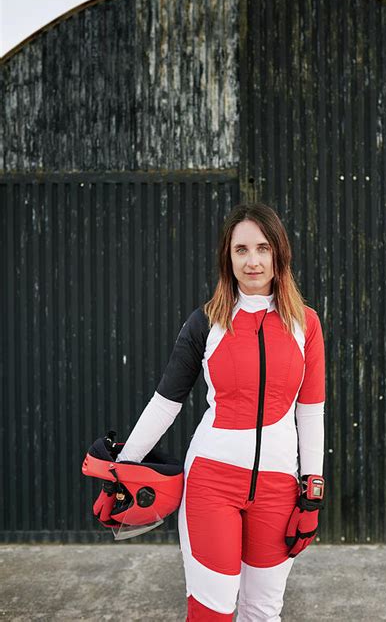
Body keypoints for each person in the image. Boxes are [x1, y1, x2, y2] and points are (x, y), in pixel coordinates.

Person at [114, 202, 326, 621]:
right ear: (227, 259)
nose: (253, 260)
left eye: (262, 248)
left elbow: (311, 411)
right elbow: (165, 404)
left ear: (279, 254)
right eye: (241, 250)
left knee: (263, 612)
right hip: (211, 484)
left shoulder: (307, 324)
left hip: (278, 489)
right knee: (212, 612)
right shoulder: (205, 322)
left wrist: (312, 492)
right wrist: (123, 466)